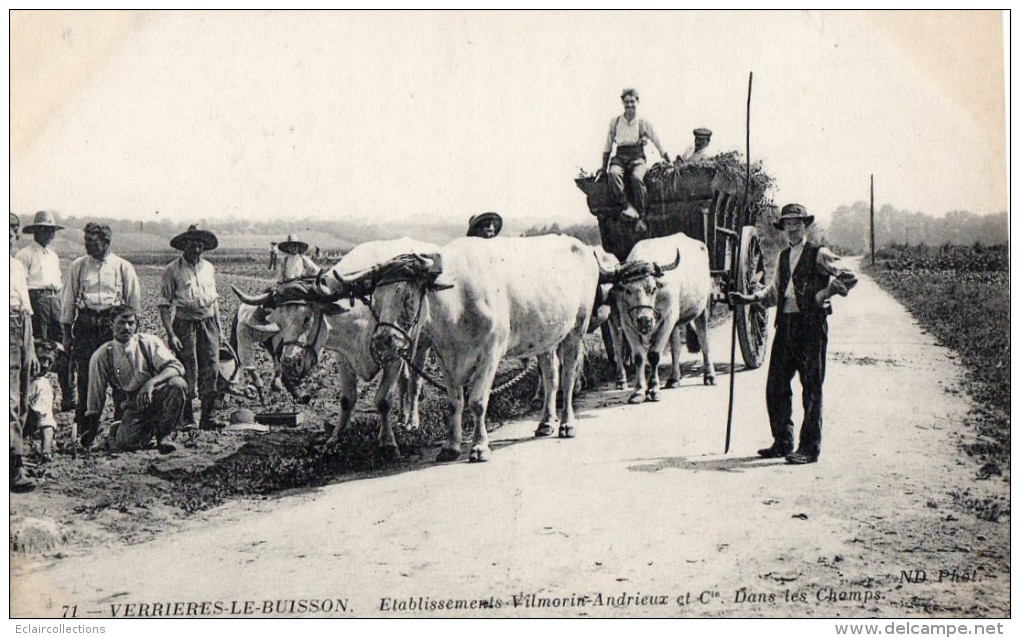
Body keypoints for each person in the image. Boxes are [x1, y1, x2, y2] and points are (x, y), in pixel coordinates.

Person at [729, 203, 858, 465]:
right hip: (786, 325)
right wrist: (748, 298)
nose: (793, 228)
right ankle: (782, 441)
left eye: (798, 223)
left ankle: (809, 448)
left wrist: (826, 293)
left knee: (811, 387)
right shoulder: (782, 257)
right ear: (783, 228)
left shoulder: (818, 253)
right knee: (775, 386)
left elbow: (849, 276)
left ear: (805, 225)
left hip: (811, 327)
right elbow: (774, 293)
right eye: (788, 223)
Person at [61, 222, 142, 449]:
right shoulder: (78, 266)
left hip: (112, 326)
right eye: (85, 242)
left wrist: (133, 334)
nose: (87, 246)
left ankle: (120, 430)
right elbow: (68, 301)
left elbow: (133, 303)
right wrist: (67, 334)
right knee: (86, 380)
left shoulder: (122, 267)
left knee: (120, 380)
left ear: (106, 242)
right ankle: (87, 432)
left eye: (92, 242)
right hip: (86, 327)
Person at [84, 305, 189, 454]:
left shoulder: (148, 342)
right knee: (125, 443)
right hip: (134, 405)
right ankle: (124, 430)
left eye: (131, 323)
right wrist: (92, 429)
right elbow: (96, 395)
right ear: (111, 323)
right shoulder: (102, 355)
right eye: (121, 323)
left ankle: (164, 435)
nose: (126, 328)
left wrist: (151, 383)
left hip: (157, 395)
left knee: (178, 384)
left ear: (136, 325)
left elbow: (176, 367)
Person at [158, 225, 223, 430]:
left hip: (209, 321)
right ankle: (187, 417)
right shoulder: (172, 270)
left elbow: (214, 302)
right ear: (184, 245)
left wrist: (219, 330)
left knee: (211, 367)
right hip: (184, 323)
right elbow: (164, 304)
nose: (196, 249)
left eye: (200, 245)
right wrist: (170, 334)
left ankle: (208, 416)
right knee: (187, 368)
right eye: (193, 244)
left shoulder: (209, 268)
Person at [16, 210, 75, 411]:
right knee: (40, 346)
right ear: (36, 231)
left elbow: (57, 283)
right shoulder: (24, 255)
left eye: (52, 230)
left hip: (54, 301)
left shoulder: (53, 256)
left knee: (63, 345)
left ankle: (68, 395)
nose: (50, 234)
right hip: (36, 300)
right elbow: (21, 284)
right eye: (46, 230)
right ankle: (35, 396)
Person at [601, 88, 670, 221]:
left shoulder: (643, 123)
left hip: (637, 158)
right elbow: (608, 146)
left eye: (632, 101)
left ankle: (642, 214)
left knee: (637, 177)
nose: (630, 105)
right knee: (613, 174)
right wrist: (603, 167)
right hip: (620, 157)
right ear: (622, 103)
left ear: (637, 102)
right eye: (627, 102)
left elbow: (658, 141)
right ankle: (627, 206)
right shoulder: (615, 122)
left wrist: (668, 161)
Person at [10, 213, 38, 492]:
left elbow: (26, 307)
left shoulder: (16, 266)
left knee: (23, 394)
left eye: (12, 230)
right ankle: (14, 466)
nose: (8, 234)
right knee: (9, 400)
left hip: (21, 326)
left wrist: (30, 347)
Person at [26, 341, 61, 463]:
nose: (45, 365)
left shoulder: (41, 384)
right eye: (41, 359)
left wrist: (46, 450)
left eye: (49, 361)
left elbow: (45, 419)